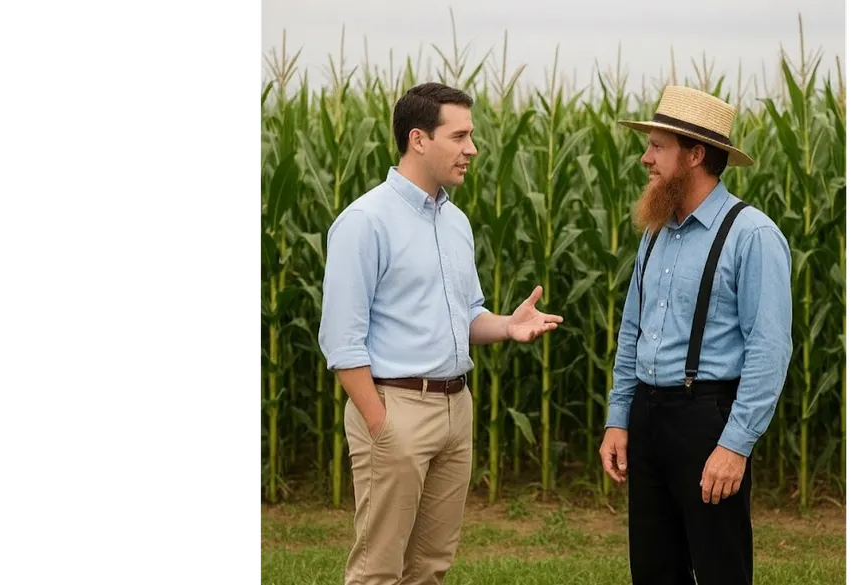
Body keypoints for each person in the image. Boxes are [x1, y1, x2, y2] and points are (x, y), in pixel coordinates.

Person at [319, 81, 564, 585]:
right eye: (460, 136)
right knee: (377, 570)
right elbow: (342, 341)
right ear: (418, 139)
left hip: (456, 410)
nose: (472, 149)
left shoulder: (455, 222)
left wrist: (507, 326)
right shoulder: (365, 222)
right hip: (395, 410)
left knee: (431, 567)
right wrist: (380, 424)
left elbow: (466, 315)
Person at [598, 85, 794, 585]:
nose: (646, 159)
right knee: (653, 569)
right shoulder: (655, 230)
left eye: (657, 147)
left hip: (709, 420)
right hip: (649, 417)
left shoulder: (752, 235)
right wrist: (619, 418)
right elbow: (631, 333)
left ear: (695, 154)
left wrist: (736, 445)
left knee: (720, 568)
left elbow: (769, 350)